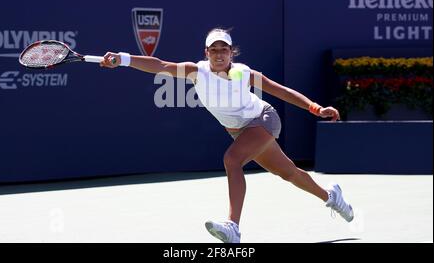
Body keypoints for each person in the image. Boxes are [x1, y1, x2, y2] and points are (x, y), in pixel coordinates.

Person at [99, 28, 354, 243]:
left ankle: (233, 226)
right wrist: (122, 58)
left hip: (264, 119)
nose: (219, 54)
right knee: (288, 173)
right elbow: (161, 65)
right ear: (206, 53)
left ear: (231, 53)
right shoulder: (196, 72)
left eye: (224, 50)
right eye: (214, 49)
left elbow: (281, 91)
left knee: (232, 160)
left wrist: (315, 107)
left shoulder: (244, 73)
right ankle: (332, 196)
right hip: (240, 131)